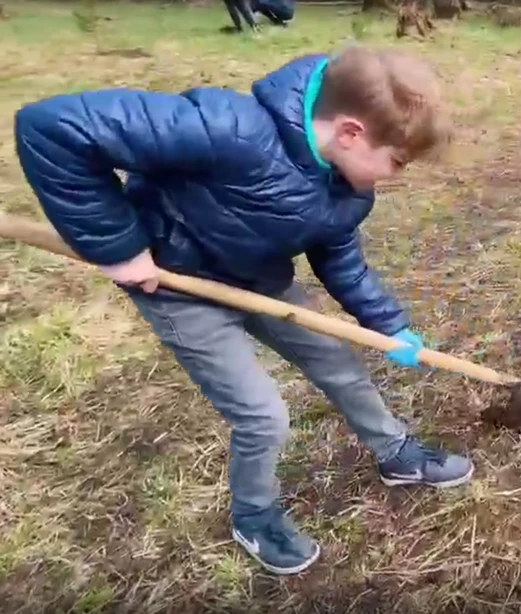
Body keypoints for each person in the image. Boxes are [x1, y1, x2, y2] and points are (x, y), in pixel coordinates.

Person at [13, 46, 472, 575]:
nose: (397, 174)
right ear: (350, 132)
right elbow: (52, 128)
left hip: (260, 282)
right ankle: (255, 516)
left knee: (339, 363)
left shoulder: (348, 189)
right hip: (181, 291)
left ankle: (397, 454)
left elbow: (341, 261)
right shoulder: (229, 129)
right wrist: (118, 245)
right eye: (396, 161)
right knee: (263, 417)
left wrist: (391, 328)